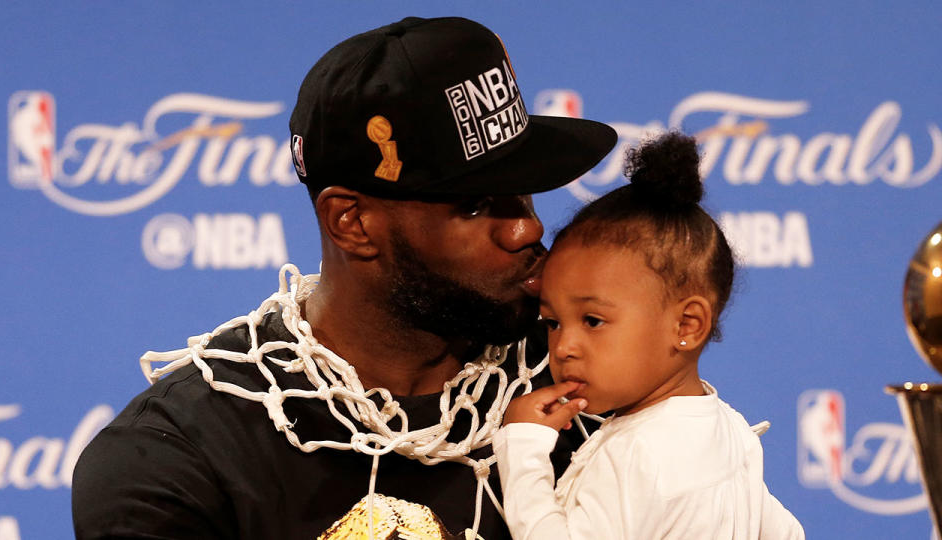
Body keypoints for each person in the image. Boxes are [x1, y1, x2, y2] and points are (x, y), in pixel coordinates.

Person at [71, 16, 616, 540]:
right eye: (475, 207)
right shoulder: (179, 462)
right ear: (352, 222)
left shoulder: (601, 382)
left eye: (524, 190)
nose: (527, 226)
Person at [492, 132, 805, 539]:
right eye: (553, 323)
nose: (564, 347)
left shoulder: (637, 455)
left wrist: (524, 450)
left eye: (592, 321)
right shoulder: (730, 430)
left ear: (687, 326)